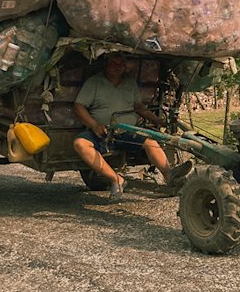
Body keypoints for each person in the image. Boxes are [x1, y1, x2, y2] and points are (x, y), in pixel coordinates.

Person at [73, 54, 192, 198]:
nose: (117, 66)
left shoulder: (130, 82)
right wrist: (94, 125)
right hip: (104, 132)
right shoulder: (94, 82)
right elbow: (79, 106)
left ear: (125, 66)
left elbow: (139, 107)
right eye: (113, 62)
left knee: (150, 142)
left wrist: (157, 120)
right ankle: (116, 179)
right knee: (80, 143)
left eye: (121, 63)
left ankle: (170, 176)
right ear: (105, 64)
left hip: (127, 132)